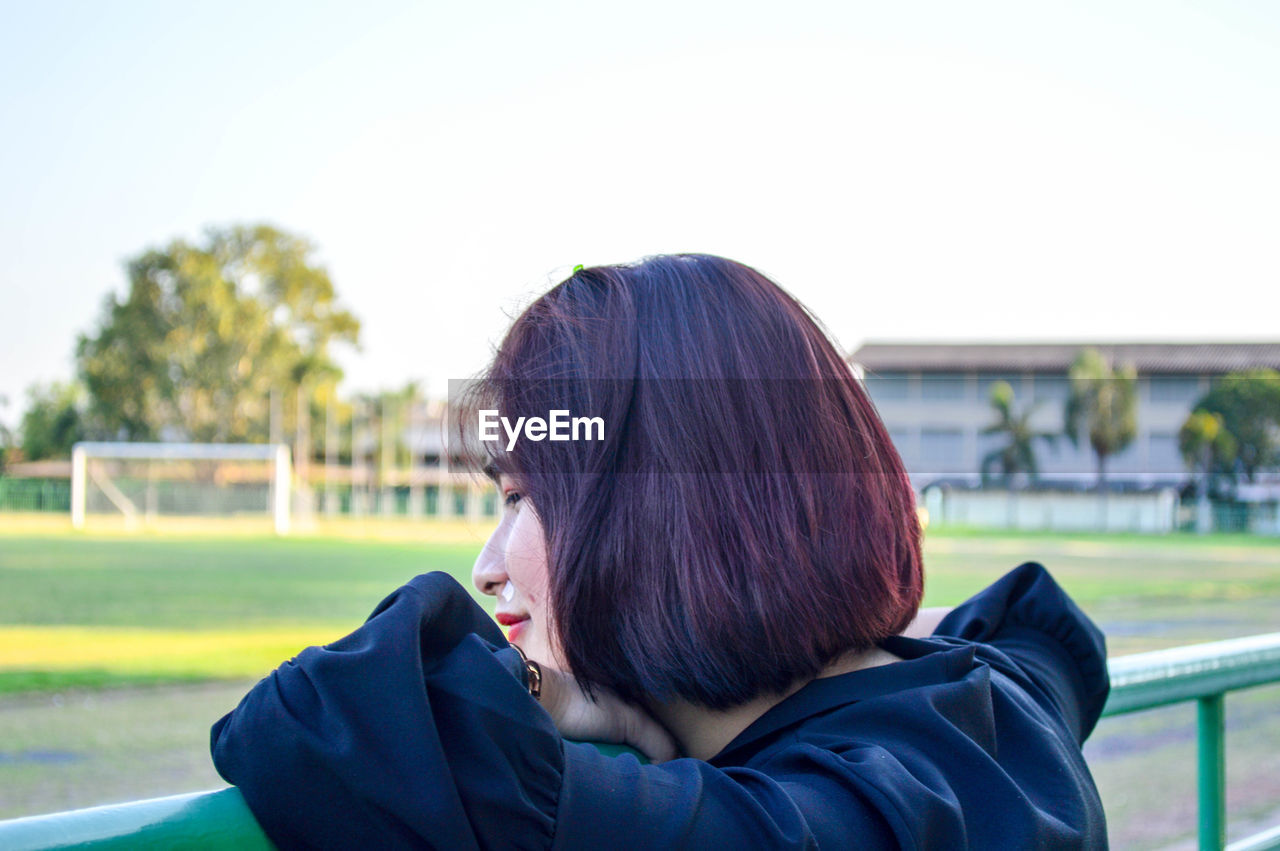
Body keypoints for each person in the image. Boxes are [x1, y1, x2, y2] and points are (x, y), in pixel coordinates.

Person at [211, 254, 1110, 849]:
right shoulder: (1003, 702)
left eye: (525, 498)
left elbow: (324, 718)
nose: (487, 564)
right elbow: (1043, 626)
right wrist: (820, 614)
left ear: (664, 513)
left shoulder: (796, 827)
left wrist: (551, 693)